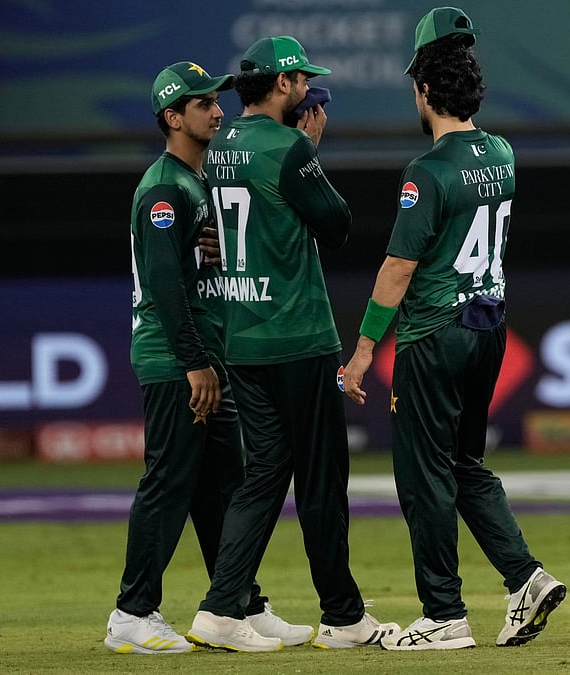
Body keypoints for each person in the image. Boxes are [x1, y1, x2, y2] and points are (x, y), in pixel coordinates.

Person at [341, 6, 566, 652]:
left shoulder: (427, 172)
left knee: (423, 475)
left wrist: (360, 352)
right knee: (465, 461)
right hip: (489, 327)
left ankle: (444, 613)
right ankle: (524, 577)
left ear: (424, 90)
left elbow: (397, 268)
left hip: (435, 334)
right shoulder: (502, 152)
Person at [183, 36, 399, 652]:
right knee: (323, 480)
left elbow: (213, 228)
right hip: (297, 335)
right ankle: (343, 616)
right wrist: (311, 152)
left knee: (264, 476)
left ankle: (223, 607)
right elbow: (337, 226)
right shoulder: (289, 147)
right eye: (302, 79)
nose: (308, 91)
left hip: (242, 337)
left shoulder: (219, 145)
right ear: (282, 85)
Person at [107, 61, 313, 654]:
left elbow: (185, 273)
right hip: (178, 361)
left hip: (201, 357)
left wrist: (207, 261)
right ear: (173, 118)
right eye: (201, 104)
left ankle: (241, 603)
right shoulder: (167, 188)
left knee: (224, 484)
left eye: (215, 101)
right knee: (169, 482)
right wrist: (196, 362)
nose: (217, 110)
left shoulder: (191, 183)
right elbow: (164, 288)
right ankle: (131, 613)